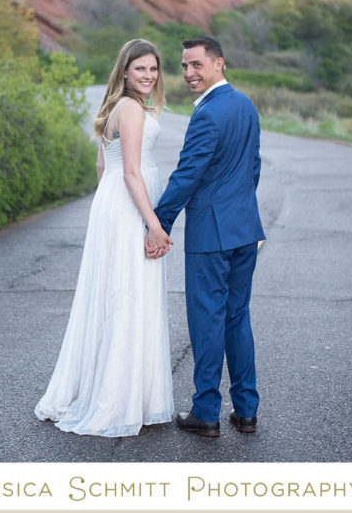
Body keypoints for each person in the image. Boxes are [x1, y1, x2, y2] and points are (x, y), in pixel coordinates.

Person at [35, 38, 173, 437]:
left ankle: (125, 392)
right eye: (140, 69)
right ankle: (118, 399)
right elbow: (130, 171)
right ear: (125, 71)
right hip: (130, 206)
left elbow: (103, 165)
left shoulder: (121, 106)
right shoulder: (130, 108)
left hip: (117, 204)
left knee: (118, 293)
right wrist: (152, 223)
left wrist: (108, 211)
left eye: (153, 69)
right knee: (128, 295)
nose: (148, 75)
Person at [148, 36, 265, 438]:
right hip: (245, 230)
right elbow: (253, 167)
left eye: (197, 64)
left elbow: (186, 176)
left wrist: (158, 222)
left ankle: (206, 412)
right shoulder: (246, 105)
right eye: (183, 66)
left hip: (211, 236)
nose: (189, 73)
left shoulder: (208, 115)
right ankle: (247, 410)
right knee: (237, 317)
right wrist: (241, 210)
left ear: (219, 64)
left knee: (207, 321)